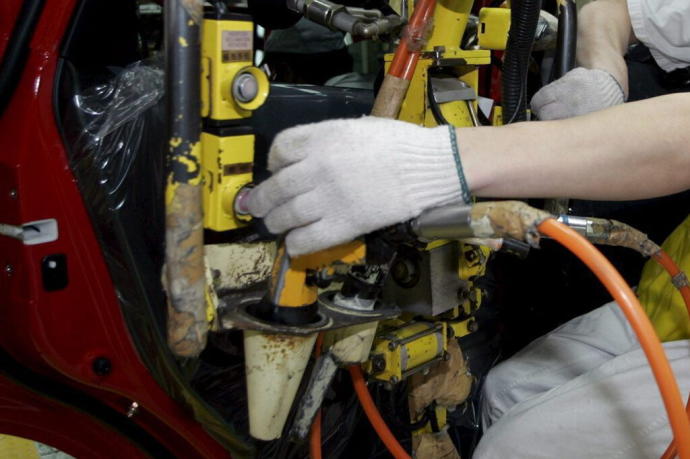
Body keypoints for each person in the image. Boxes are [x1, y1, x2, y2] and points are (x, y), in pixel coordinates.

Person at [247, 0, 690, 456]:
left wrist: (443, 160)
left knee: (517, 447)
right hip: (675, 297)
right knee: (505, 392)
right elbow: (613, 10)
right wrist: (606, 76)